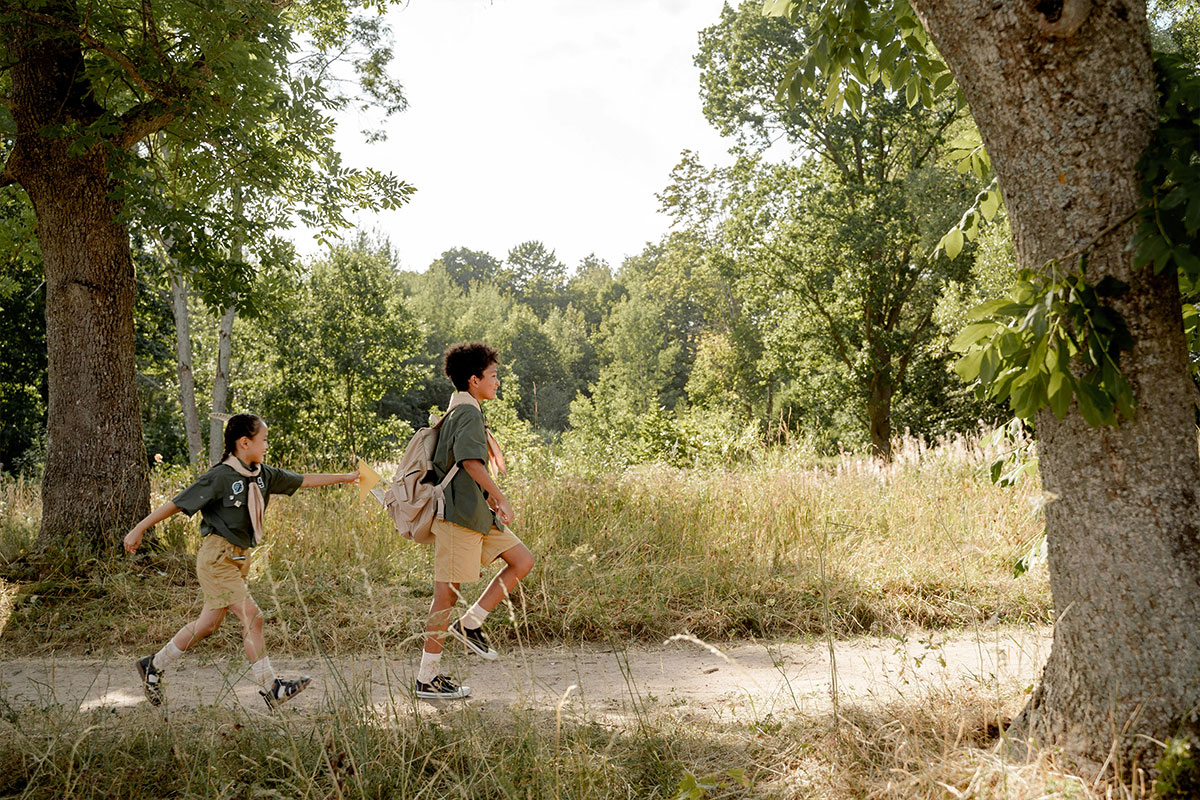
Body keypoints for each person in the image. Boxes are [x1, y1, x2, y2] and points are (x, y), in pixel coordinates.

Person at [123, 413, 359, 709]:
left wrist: (347, 477)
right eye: (264, 440)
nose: (267, 445)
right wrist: (139, 528)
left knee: (207, 625)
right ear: (244, 442)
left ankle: (153, 665)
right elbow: (178, 503)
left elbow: (303, 480)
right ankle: (272, 687)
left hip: (239, 559)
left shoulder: (262, 474)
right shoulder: (221, 476)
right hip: (217, 558)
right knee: (253, 616)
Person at [416, 342, 534, 700]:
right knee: (445, 596)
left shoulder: (465, 411)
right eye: (493, 376)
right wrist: (500, 496)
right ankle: (427, 678)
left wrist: (489, 503)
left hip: (477, 515)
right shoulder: (466, 414)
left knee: (522, 559)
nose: (497, 382)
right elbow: (470, 462)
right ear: (473, 380)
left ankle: (470, 624)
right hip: (458, 517)